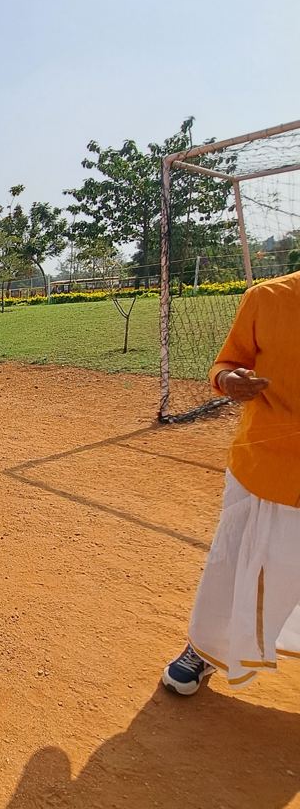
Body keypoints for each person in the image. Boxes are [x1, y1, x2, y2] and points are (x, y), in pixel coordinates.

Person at [162, 269, 300, 695]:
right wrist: (228, 380)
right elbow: (227, 362)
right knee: (233, 560)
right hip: (263, 463)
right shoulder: (269, 297)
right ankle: (205, 649)